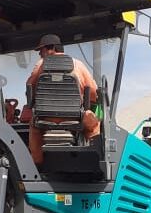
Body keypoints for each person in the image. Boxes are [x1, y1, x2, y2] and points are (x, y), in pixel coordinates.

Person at [26, 33, 101, 165]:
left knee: (34, 127)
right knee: (93, 125)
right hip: (75, 118)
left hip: (45, 119)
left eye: (41, 50)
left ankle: (37, 164)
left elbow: (29, 87)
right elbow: (94, 93)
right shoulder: (78, 65)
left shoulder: (40, 65)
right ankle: (96, 159)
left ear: (52, 48)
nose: (40, 54)